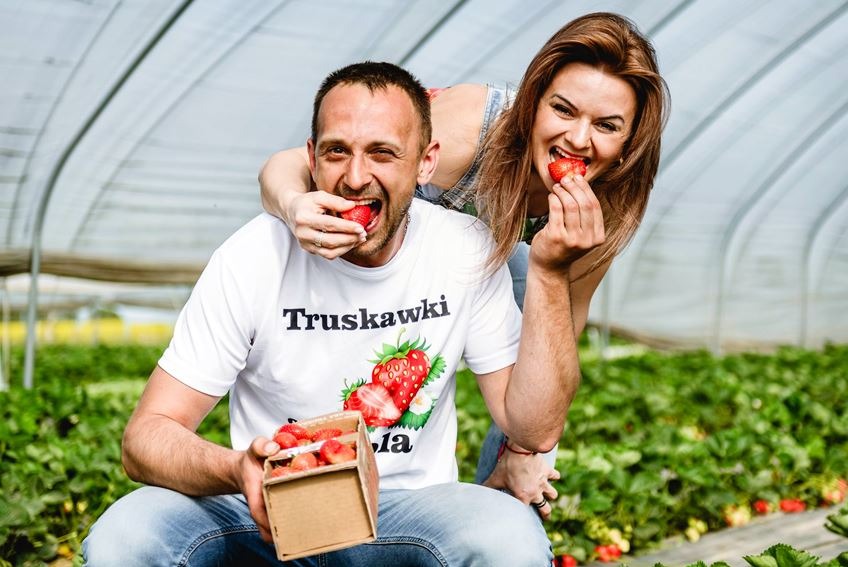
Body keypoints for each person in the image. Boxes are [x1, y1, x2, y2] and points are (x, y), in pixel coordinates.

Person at [82, 61, 582, 566]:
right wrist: (239, 469)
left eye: (383, 153)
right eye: (337, 151)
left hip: (406, 513)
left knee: (508, 537)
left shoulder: (465, 252)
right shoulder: (254, 256)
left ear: (426, 162)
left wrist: (550, 272)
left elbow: (533, 429)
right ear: (310, 158)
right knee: (127, 534)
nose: (356, 178)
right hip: (266, 511)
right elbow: (145, 437)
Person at [258, 12, 671, 516]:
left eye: (607, 126)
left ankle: (490, 511)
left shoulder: (609, 199)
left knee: (537, 403)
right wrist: (294, 205)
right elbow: (286, 165)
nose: (579, 141)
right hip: (381, 253)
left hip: (484, 281)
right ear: (533, 101)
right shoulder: (474, 132)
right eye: (563, 110)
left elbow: (564, 321)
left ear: (630, 142)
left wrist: (523, 450)